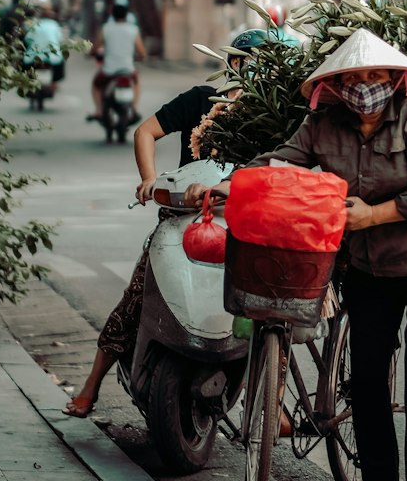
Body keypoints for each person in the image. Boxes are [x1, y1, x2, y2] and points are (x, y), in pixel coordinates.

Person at [186, 27, 407, 481]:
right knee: (365, 376)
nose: (366, 86)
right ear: (337, 86)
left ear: (395, 80)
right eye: (355, 78)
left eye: (376, 75)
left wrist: (372, 216)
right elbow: (283, 160)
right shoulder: (323, 125)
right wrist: (234, 184)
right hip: (366, 265)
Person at [65, 30, 271, 417]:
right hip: (183, 220)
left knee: (264, 312)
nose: (257, 68)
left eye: (267, 61)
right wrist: (148, 177)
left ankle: (272, 405)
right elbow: (146, 131)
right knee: (137, 296)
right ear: (235, 63)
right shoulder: (199, 99)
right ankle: (90, 387)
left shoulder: (270, 114)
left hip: (243, 224)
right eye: (250, 59)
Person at [90, 0, 146, 123]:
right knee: (136, 83)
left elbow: (95, 48)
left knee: (96, 85)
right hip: (128, 70)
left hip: (108, 71)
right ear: (127, 14)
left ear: (112, 13)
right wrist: (139, 57)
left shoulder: (105, 28)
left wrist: (92, 53)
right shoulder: (133, 30)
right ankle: (135, 109)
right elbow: (142, 53)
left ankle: (99, 110)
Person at [23, 0, 64, 76]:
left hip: (33, 57)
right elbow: (60, 39)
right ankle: (55, 81)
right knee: (60, 60)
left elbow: (27, 39)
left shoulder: (34, 25)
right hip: (53, 57)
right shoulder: (54, 24)